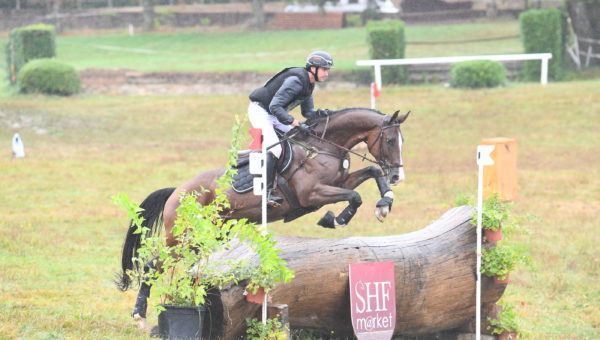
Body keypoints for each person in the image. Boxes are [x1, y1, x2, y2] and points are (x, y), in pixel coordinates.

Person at [248, 50, 334, 207]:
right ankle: (266, 193)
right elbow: (275, 106)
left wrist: (323, 114)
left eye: (327, 70)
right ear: (312, 68)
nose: (326, 73)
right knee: (275, 148)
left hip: (274, 114)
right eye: (324, 69)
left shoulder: (309, 84)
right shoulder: (296, 81)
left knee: (301, 139)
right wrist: (296, 123)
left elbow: (307, 112)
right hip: (260, 111)